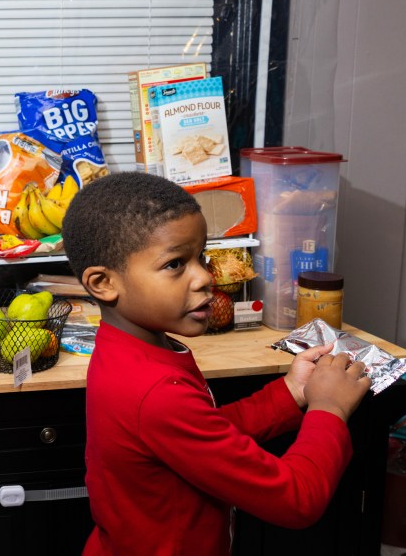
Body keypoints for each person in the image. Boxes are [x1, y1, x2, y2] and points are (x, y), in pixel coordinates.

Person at [61, 171, 371, 556]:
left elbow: (206, 434)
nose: (205, 277)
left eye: (201, 257)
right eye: (175, 264)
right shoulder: (156, 393)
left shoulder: (128, 347)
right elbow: (296, 500)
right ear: (104, 283)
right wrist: (330, 408)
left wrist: (293, 391)